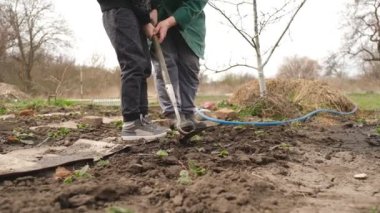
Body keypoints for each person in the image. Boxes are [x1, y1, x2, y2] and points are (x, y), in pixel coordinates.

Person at [97, 0, 167, 141]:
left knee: (143, 66)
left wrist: (153, 7)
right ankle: (131, 123)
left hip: (135, 11)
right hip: (120, 7)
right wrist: (145, 19)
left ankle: (142, 118)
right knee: (133, 64)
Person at [150, 0, 208, 130]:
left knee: (190, 65)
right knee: (166, 64)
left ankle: (188, 113)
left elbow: (196, 3)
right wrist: (151, 9)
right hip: (159, 17)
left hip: (190, 22)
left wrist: (170, 22)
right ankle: (174, 115)